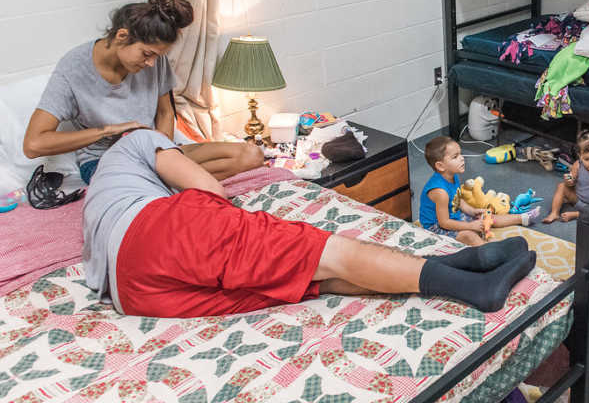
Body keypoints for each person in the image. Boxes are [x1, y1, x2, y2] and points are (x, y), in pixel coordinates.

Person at [84, 129, 537, 318]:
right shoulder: (138, 141)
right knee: (319, 251)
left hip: (134, 292)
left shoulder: (95, 199)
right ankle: (473, 287)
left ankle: (460, 263)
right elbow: (208, 195)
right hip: (152, 231)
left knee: (300, 279)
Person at [23, 0, 263, 183]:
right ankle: (169, 184)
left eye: (157, 57)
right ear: (122, 36)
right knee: (155, 181)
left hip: (155, 153)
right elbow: (34, 144)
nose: (151, 64)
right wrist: (107, 130)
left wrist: (164, 150)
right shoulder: (73, 68)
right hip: (107, 162)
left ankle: (168, 183)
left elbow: (165, 112)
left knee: (250, 155)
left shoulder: (154, 62)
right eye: (147, 54)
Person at [420, 136, 542, 246]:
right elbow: (444, 223)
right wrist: (469, 226)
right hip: (436, 228)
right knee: (469, 235)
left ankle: (522, 218)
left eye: (460, 154)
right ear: (441, 166)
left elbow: (457, 199)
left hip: (453, 217)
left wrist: (472, 211)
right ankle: (490, 250)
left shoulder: (452, 175)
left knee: (487, 216)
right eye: (455, 157)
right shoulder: (440, 192)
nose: (462, 158)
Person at [543, 128, 589, 223]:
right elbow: (571, 182)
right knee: (561, 186)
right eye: (587, 159)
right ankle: (554, 213)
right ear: (580, 156)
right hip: (578, 200)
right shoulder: (578, 164)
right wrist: (569, 181)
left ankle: (576, 215)